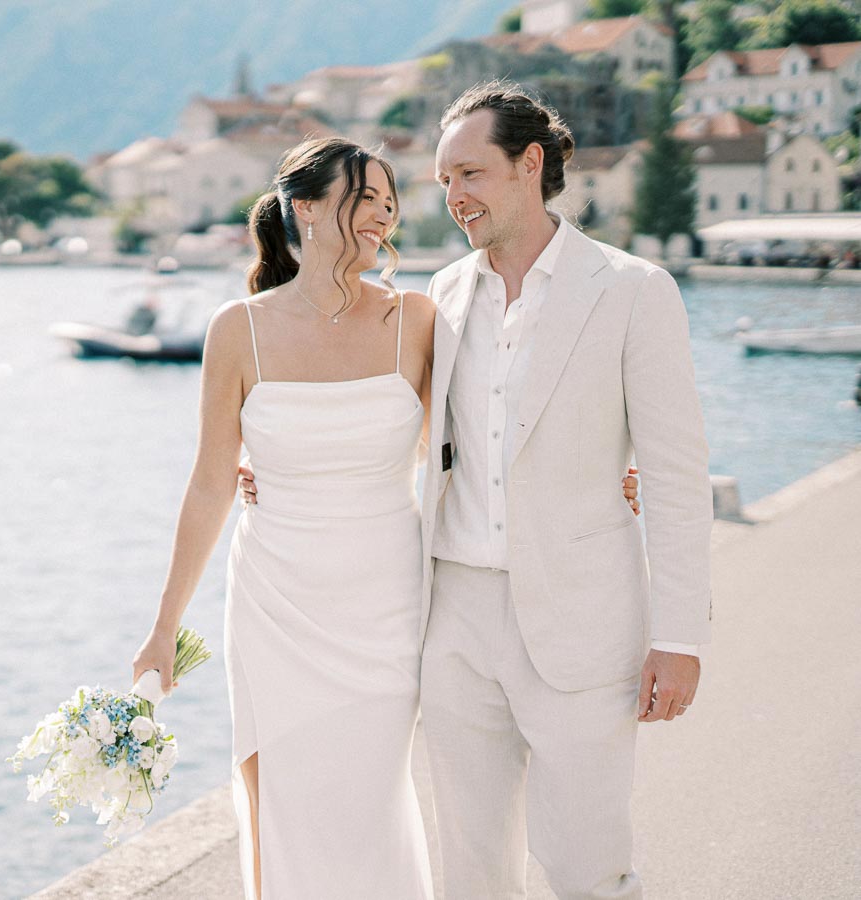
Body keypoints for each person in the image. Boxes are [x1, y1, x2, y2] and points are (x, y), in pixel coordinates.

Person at [131, 136, 640, 898]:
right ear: (304, 207)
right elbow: (208, 485)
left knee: (370, 802)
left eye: (388, 200)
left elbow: (495, 428)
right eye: (363, 197)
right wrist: (164, 626)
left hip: (386, 603)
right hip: (274, 603)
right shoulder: (237, 329)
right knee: (283, 807)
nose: (382, 214)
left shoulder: (419, 320)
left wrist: (605, 473)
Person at [418, 82, 712, 899]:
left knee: (588, 864)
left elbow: (677, 471)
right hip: (454, 621)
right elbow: (404, 441)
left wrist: (680, 635)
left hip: (586, 620)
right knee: (470, 869)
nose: (455, 198)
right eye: (445, 181)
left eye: (470, 174)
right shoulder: (438, 297)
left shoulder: (631, 288)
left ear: (530, 163)